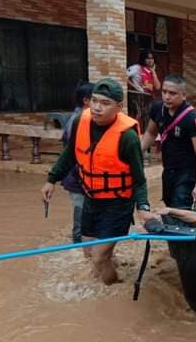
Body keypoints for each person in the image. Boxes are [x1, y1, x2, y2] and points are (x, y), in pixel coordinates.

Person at [41, 78, 156, 285]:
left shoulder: (127, 138)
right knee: (88, 254)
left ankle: (115, 290)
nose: (96, 107)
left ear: (119, 107)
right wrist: (52, 179)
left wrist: (143, 207)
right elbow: (70, 154)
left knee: (99, 257)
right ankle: (109, 274)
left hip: (117, 204)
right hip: (91, 199)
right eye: (94, 101)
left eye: (105, 103)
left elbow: (139, 179)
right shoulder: (79, 122)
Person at [141, 75, 196, 213]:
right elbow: (151, 133)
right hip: (168, 170)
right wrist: (137, 151)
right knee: (169, 206)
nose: (167, 96)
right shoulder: (157, 109)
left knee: (179, 209)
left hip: (187, 173)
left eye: (172, 93)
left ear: (183, 95)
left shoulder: (191, 118)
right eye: (164, 92)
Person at [61, 82, 93, 243]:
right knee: (81, 210)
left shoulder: (86, 119)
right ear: (87, 101)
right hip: (76, 176)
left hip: (83, 176)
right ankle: (78, 243)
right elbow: (71, 153)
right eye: (97, 99)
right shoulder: (77, 121)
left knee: (87, 211)